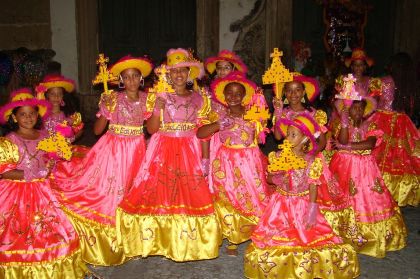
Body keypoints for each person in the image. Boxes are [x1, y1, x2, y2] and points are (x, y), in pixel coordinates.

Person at [117, 48, 221, 262]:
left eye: (183, 71)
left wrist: (205, 159)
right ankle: (157, 240)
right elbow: (152, 129)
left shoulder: (200, 98)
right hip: (162, 148)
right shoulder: (159, 95)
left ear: (190, 73)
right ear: (167, 74)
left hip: (189, 150)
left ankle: (186, 243)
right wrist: (157, 108)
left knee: (188, 194)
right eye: (174, 71)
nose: (179, 75)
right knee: (159, 193)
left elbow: (202, 132)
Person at [50, 55, 153, 266]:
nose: (132, 80)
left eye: (136, 76)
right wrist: (105, 110)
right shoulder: (113, 98)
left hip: (137, 149)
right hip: (113, 150)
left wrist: (158, 109)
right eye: (127, 77)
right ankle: (109, 240)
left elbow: (152, 129)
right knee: (109, 192)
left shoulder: (148, 99)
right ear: (121, 80)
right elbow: (97, 130)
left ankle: (130, 236)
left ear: (141, 78)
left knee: (131, 191)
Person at [244, 113, 360, 279]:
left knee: (308, 236)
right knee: (278, 236)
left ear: (305, 139)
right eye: (288, 134)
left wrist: (312, 208)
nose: (288, 138)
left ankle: (308, 265)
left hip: (303, 204)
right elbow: (269, 178)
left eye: (293, 135)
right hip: (281, 204)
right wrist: (277, 177)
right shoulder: (278, 156)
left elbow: (313, 185)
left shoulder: (311, 161)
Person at [0, 88, 88, 278]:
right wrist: (34, 173)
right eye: (22, 115)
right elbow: (6, 172)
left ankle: (52, 266)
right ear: (14, 118)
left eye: (32, 114)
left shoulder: (42, 136)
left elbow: (62, 154)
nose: (28, 118)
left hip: (44, 189)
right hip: (18, 193)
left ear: (37, 116)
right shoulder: (9, 140)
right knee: (21, 233)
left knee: (52, 229)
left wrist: (64, 138)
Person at [197, 71, 269, 256]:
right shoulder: (219, 113)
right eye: (229, 93)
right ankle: (233, 237)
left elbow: (263, 133)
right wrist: (219, 124)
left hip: (249, 161)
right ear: (223, 95)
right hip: (226, 162)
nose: (234, 97)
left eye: (238, 94)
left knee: (252, 197)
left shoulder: (253, 112)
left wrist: (262, 100)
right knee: (229, 198)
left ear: (244, 96)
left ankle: (257, 232)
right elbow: (200, 133)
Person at [329, 92, 407, 258]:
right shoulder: (341, 124)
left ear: (365, 110)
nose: (357, 111)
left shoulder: (371, 126)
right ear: (347, 110)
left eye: (360, 108)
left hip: (365, 168)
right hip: (344, 165)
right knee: (343, 195)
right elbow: (340, 141)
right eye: (353, 108)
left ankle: (370, 234)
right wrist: (344, 124)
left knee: (369, 197)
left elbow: (370, 144)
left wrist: (348, 146)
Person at [367, 54, 420, 207]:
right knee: (403, 157)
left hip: (382, 119)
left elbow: (372, 104)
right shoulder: (410, 84)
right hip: (402, 122)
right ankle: (398, 193)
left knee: (378, 154)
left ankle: (377, 191)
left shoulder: (382, 81)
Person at [272, 73, 327, 153]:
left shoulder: (312, 113)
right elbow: (278, 137)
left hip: (308, 157)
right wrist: (278, 112)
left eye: (297, 90)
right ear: (285, 93)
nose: (293, 93)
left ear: (303, 92)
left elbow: (322, 142)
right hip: (289, 157)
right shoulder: (282, 113)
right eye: (289, 90)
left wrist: (309, 156)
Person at [36, 74, 84, 142]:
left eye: (59, 94)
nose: (56, 97)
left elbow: (80, 130)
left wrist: (70, 140)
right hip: (46, 148)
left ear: (63, 96)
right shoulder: (42, 114)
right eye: (52, 94)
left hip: (63, 149)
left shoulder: (69, 114)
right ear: (46, 96)